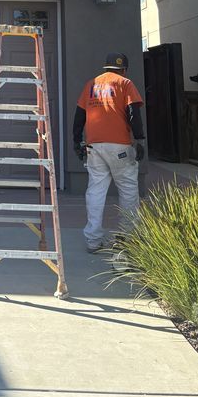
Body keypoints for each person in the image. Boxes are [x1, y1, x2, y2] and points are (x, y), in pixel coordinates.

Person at [72, 51, 145, 256]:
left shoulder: (91, 84)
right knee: (128, 190)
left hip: (94, 146)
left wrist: (77, 142)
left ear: (106, 68)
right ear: (124, 69)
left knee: (95, 191)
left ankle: (93, 240)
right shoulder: (125, 83)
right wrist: (139, 140)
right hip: (120, 146)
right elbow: (133, 112)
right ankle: (127, 238)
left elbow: (79, 116)